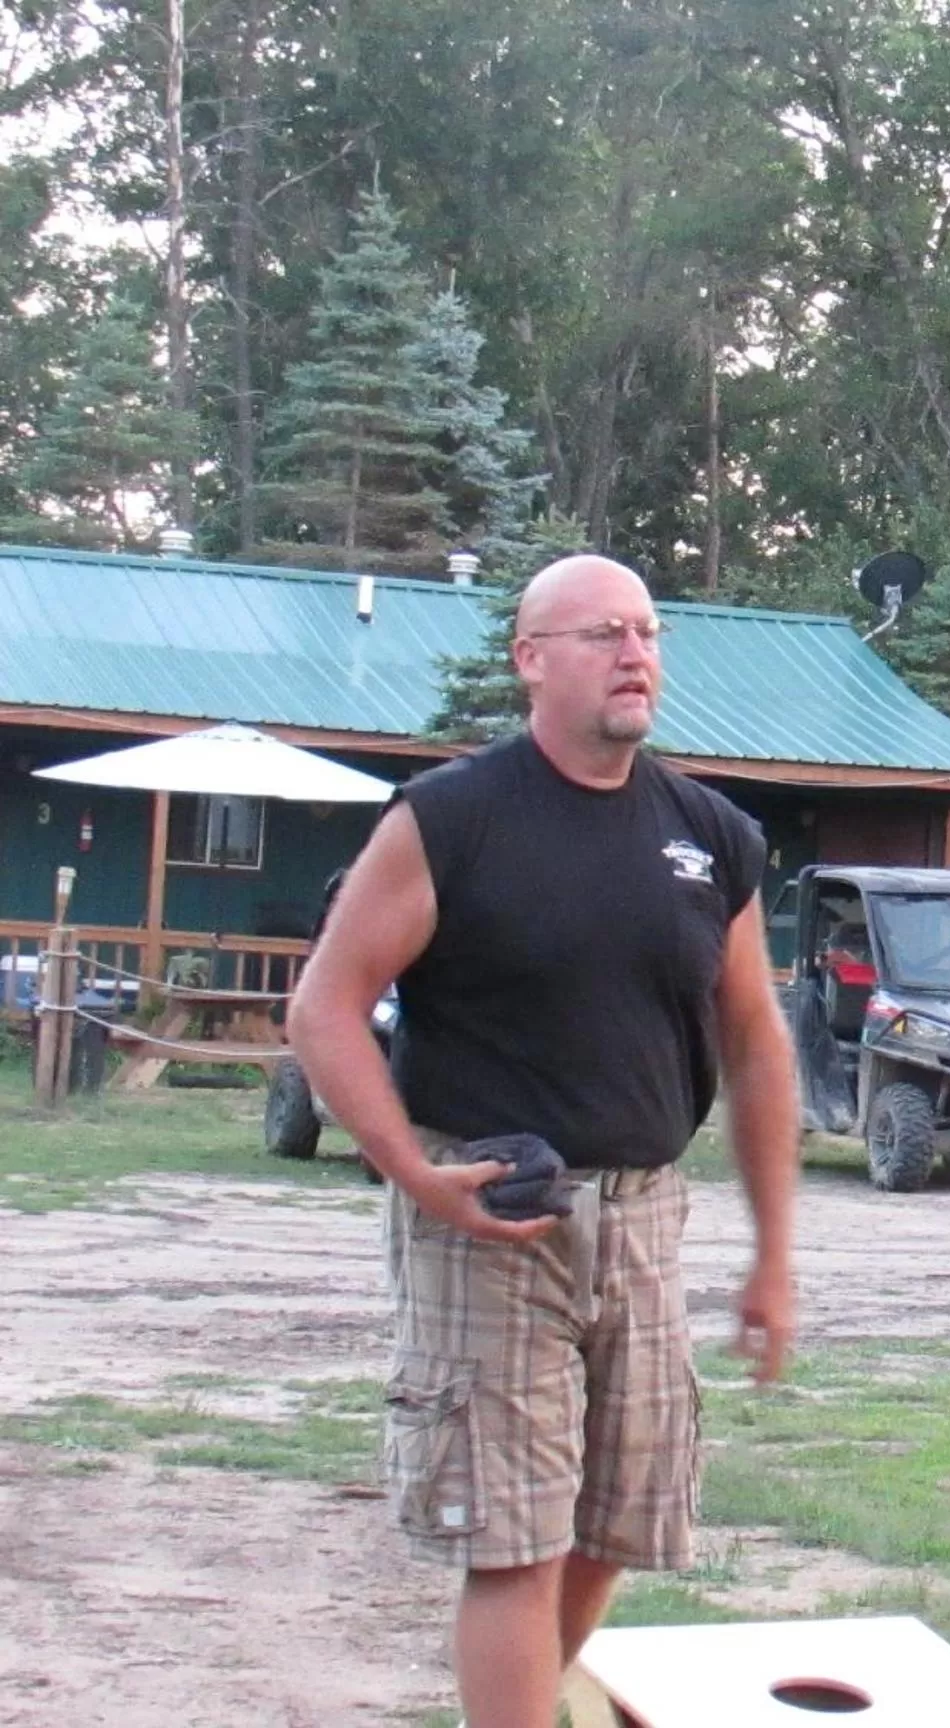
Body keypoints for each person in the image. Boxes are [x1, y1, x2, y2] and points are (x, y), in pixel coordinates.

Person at [287, 555, 800, 1728]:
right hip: (493, 1216)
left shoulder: (710, 835)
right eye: (602, 633)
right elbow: (324, 1009)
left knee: (621, 1519)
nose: (635, 654)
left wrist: (774, 1254)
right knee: (511, 1539)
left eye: (648, 633)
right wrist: (413, 1171)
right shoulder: (452, 819)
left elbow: (756, 1040)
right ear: (530, 660)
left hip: (645, 1214)